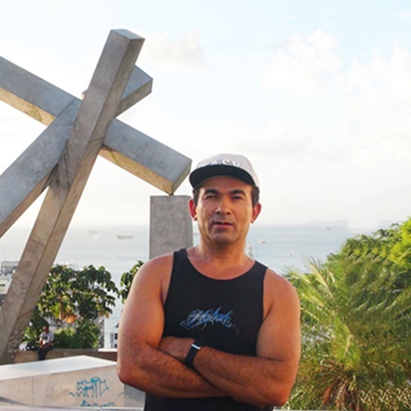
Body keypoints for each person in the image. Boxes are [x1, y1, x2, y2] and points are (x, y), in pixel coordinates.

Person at [117, 153, 301, 410]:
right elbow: (133, 366)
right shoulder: (157, 275)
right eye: (211, 196)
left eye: (236, 197)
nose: (222, 208)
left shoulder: (276, 292)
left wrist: (189, 350)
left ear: (254, 212)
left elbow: (276, 387)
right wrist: (241, 387)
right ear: (193, 209)